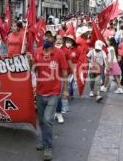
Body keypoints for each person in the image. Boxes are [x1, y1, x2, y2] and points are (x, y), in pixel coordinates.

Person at [33, 29, 69, 161]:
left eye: (49, 37)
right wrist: (30, 61)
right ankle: (44, 141)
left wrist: (65, 89)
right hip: (40, 92)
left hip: (54, 92)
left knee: (48, 119)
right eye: (45, 37)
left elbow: (64, 72)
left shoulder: (59, 53)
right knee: (41, 120)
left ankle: (48, 146)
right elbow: (33, 69)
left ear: (53, 40)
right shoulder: (38, 52)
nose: (46, 39)